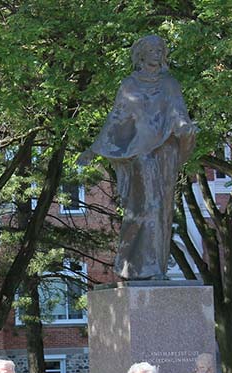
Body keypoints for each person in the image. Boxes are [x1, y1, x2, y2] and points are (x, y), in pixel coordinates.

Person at [78, 34, 197, 280]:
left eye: (160, 49)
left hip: (165, 152)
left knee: (162, 210)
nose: (156, 53)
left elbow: (178, 114)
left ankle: (154, 269)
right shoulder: (129, 85)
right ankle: (130, 264)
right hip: (140, 153)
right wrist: (93, 150)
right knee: (145, 206)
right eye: (151, 49)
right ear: (141, 54)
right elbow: (116, 119)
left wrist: (185, 127)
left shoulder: (170, 84)